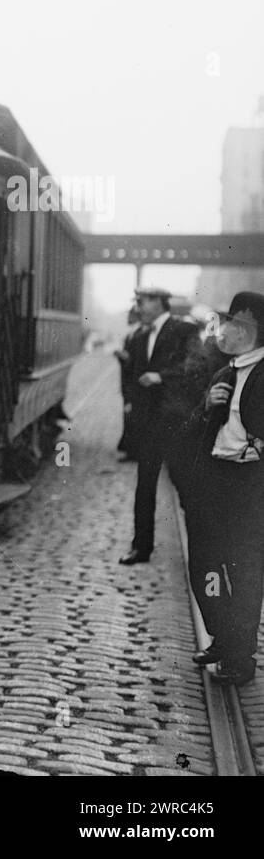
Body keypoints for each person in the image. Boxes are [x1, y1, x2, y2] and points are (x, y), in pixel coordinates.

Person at [181, 291, 264, 685]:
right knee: (203, 565)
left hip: (249, 487)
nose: (221, 332)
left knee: (243, 570)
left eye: (229, 325)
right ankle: (221, 636)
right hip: (213, 481)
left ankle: (240, 657)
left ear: (250, 331)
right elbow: (193, 431)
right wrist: (206, 407)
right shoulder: (224, 374)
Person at [119, 287, 202, 565]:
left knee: (185, 487)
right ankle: (141, 548)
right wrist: (131, 404)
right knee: (145, 487)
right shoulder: (140, 337)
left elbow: (196, 369)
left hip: (176, 424)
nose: (139, 307)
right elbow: (132, 377)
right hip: (149, 425)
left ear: (158, 303)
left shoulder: (184, 331)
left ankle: (199, 552)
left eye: (143, 302)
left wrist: (161, 377)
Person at [115, 306, 142, 462]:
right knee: (129, 416)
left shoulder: (138, 335)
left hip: (132, 384)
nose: (128, 317)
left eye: (131, 314)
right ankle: (130, 450)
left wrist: (124, 357)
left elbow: (136, 362)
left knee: (132, 416)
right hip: (127, 384)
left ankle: (133, 452)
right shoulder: (132, 334)